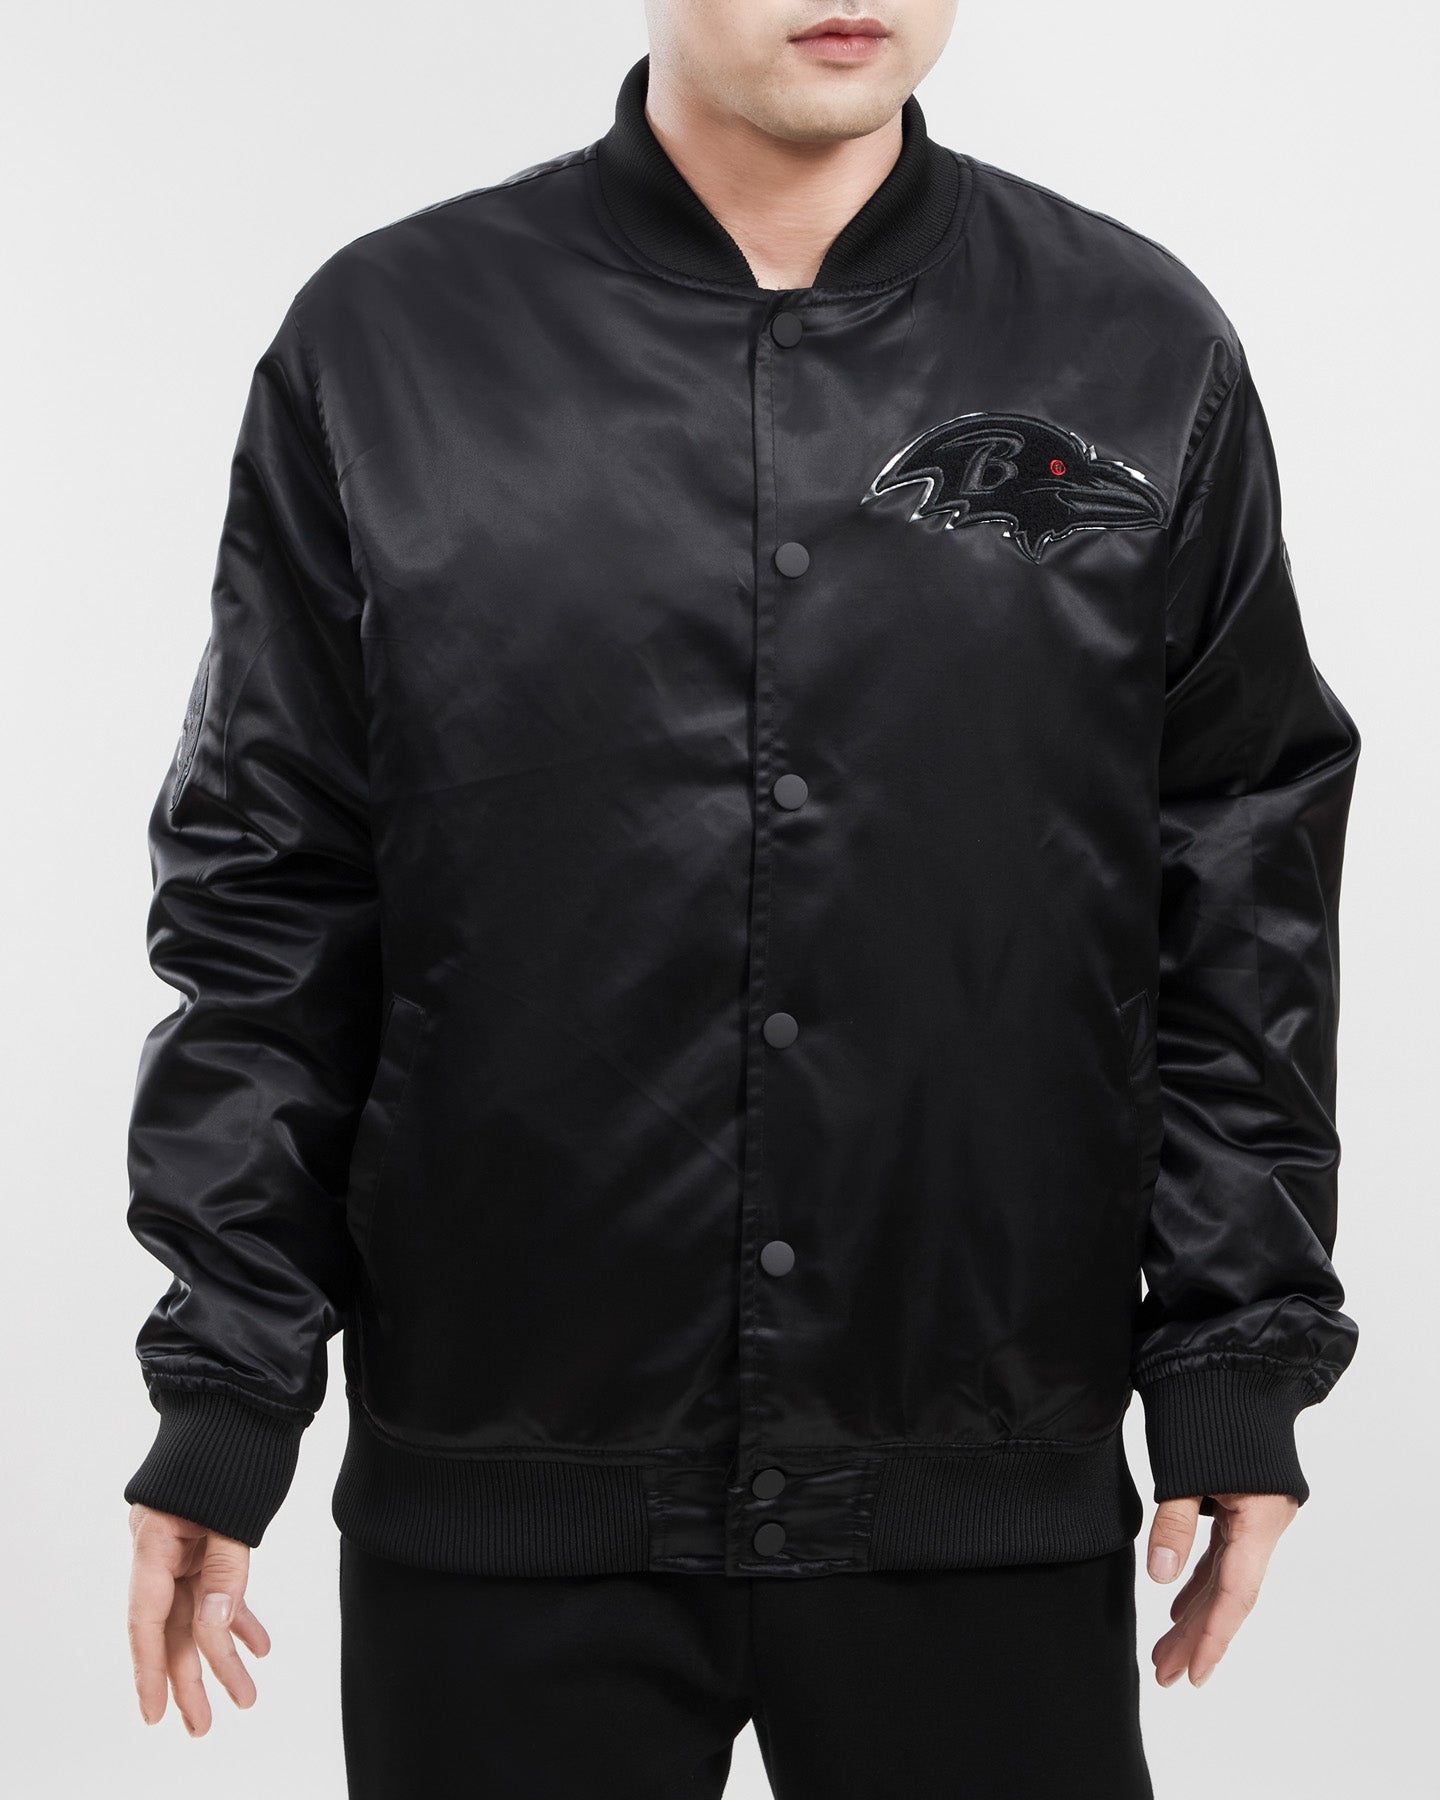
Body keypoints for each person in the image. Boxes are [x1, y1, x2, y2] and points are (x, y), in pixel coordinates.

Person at [122, 4, 1362, 1795]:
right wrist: (229, 1387)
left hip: (982, 1478)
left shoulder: (1133, 345)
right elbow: (270, 892)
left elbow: (1243, 874)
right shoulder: (390, 344)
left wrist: (1236, 1352)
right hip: (508, 1497)